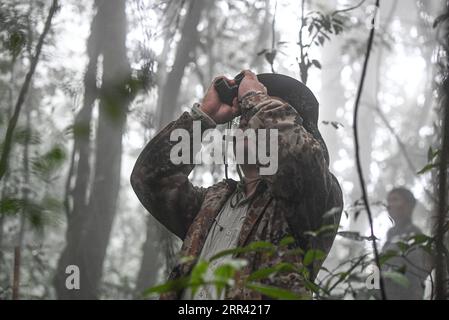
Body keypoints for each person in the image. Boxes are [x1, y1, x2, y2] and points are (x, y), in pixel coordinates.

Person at [130, 70, 343, 299]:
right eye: (244, 115)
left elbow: (299, 159)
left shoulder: (313, 197)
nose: (248, 120)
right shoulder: (211, 203)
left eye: (261, 113)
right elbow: (150, 178)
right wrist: (203, 117)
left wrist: (254, 95)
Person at [380, 187, 432, 300]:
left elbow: (419, 273)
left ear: (409, 205)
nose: (389, 205)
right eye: (389, 201)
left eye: (395, 199)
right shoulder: (390, 235)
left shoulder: (416, 236)